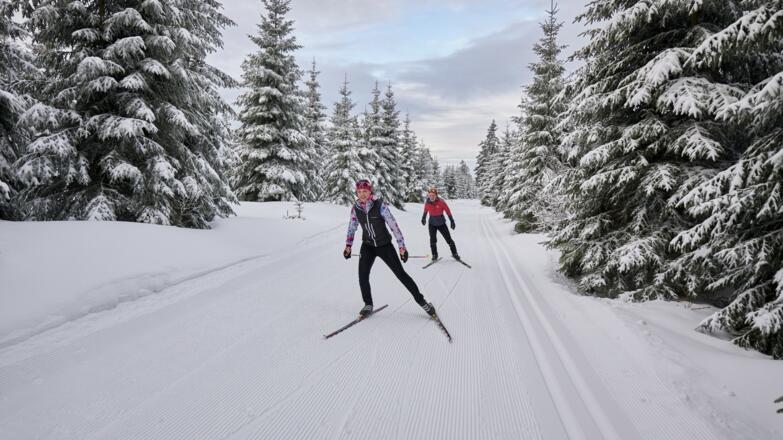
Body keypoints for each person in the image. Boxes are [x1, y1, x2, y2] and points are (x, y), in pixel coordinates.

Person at [343, 180, 437, 318]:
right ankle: (368, 304)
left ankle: (422, 302)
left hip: (384, 245)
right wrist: (348, 245)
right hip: (367, 246)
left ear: (370, 192)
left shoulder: (380, 205)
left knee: (401, 274)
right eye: (359, 192)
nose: (362, 194)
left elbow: (393, 226)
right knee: (363, 275)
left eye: (365, 191)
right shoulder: (355, 208)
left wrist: (402, 247)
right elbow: (352, 226)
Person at [421, 186, 459, 261]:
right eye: (430, 195)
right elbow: (425, 210)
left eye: (433, 195)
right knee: (433, 240)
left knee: (448, 239)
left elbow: (448, 211)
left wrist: (452, 221)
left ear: (436, 195)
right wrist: (423, 218)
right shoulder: (427, 202)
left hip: (441, 224)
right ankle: (434, 255)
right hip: (432, 223)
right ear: (428, 195)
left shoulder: (441, 202)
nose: (431, 197)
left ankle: (455, 253)